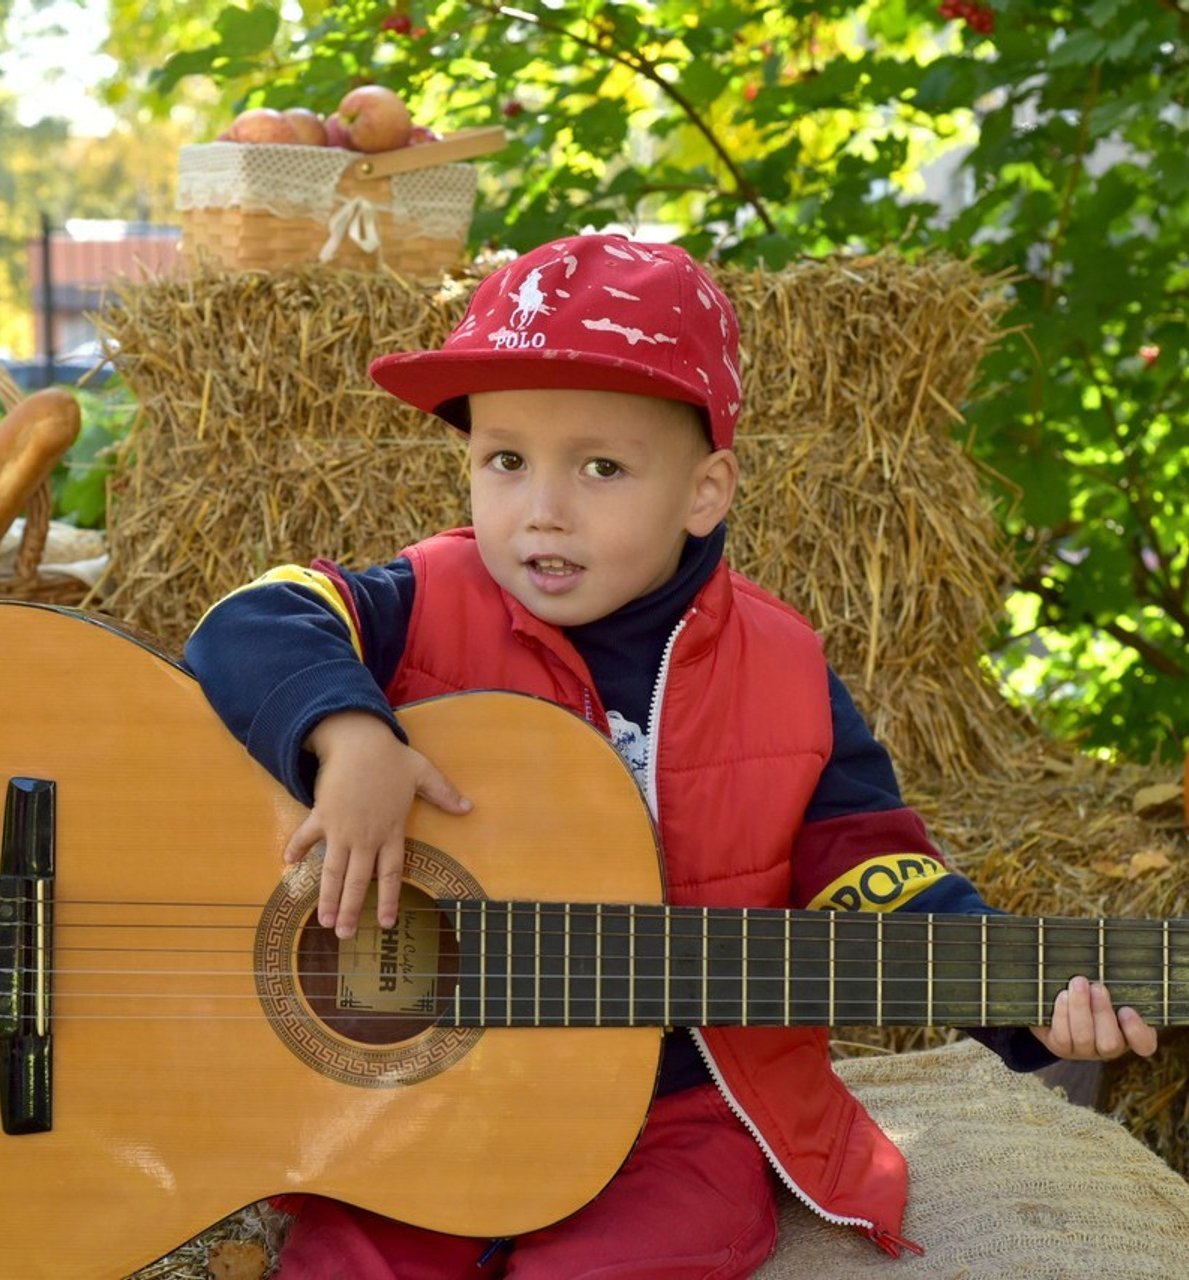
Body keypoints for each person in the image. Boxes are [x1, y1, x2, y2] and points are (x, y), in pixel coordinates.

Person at [184, 233, 1158, 1278]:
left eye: (599, 465)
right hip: (420, 1096)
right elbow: (248, 620)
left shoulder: (781, 670)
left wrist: (1034, 1007)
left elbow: (872, 877)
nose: (541, 507)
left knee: (637, 1258)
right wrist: (350, 734)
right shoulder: (417, 601)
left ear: (703, 491)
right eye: (504, 459)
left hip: (680, 1107)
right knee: (352, 1259)